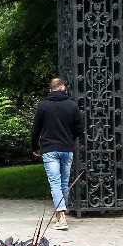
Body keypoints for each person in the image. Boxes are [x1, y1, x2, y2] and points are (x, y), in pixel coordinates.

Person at [31, 77, 84, 230]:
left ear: (50, 90)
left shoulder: (43, 106)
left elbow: (36, 129)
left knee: (55, 182)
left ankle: (61, 217)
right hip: (67, 149)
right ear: (64, 88)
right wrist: (69, 139)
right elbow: (79, 129)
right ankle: (61, 215)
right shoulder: (72, 106)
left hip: (49, 150)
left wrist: (34, 147)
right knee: (64, 183)